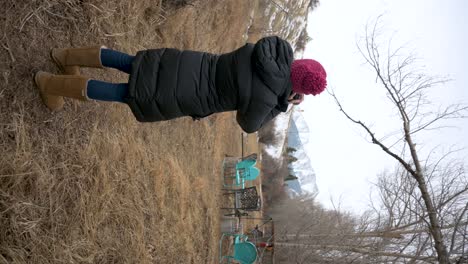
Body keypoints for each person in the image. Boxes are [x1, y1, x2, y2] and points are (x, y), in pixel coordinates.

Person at [34, 36, 327, 133]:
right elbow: (249, 124)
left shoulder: (262, 50)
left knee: (129, 62)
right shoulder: (268, 99)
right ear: (300, 89)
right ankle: (51, 85)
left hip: (186, 62)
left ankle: (64, 56)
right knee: (126, 93)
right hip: (186, 93)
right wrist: (281, 104)